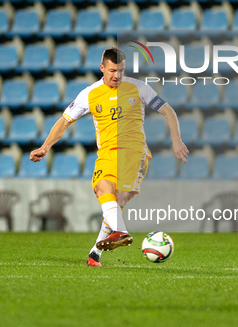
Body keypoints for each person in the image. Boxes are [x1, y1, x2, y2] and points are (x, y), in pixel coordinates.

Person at [29, 47, 189, 267]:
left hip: (134, 152)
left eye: (121, 70)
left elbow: (167, 110)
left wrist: (176, 139)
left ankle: (98, 251)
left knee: (118, 202)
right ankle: (115, 238)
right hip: (106, 152)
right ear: (102, 68)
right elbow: (65, 121)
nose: (117, 75)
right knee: (103, 190)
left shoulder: (138, 88)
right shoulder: (89, 94)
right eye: (113, 70)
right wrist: (45, 147)